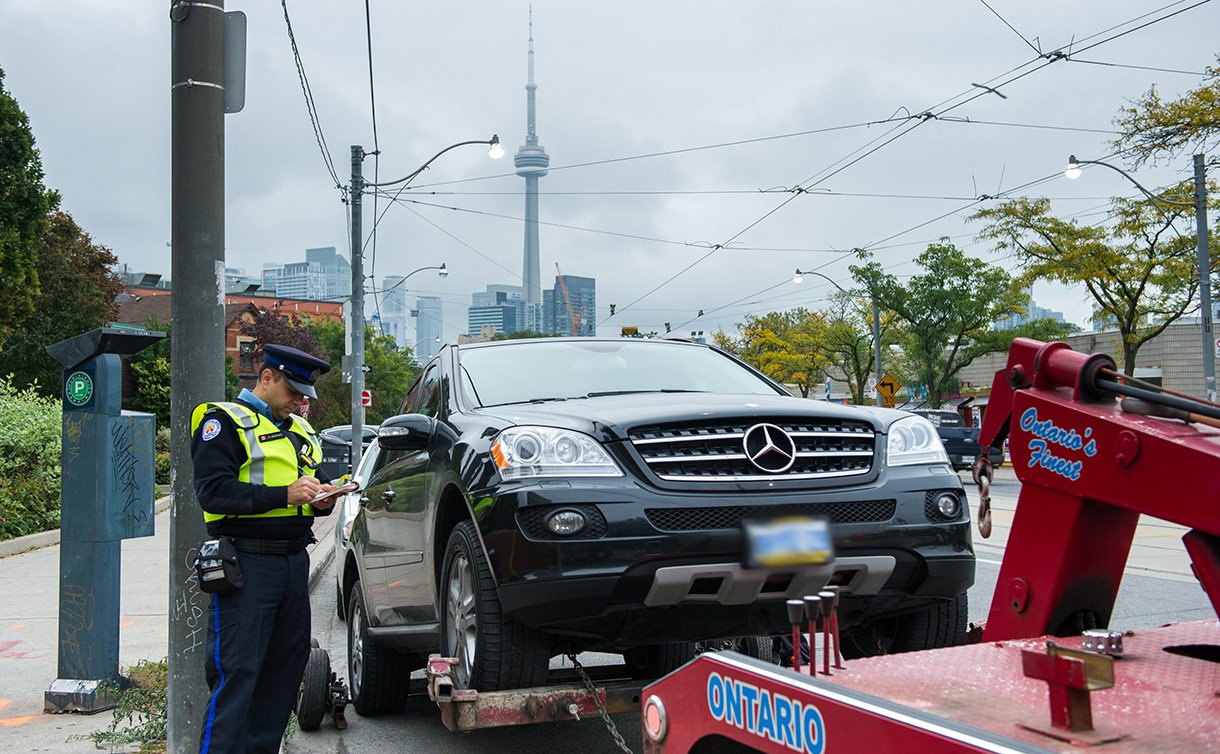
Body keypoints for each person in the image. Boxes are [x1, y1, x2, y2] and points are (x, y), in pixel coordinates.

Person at [191, 343, 338, 754]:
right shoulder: (223, 421)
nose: (298, 401)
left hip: (293, 564)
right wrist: (283, 495)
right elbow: (213, 492)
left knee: (282, 677)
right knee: (237, 677)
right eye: (292, 390)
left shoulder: (301, 431)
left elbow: (311, 486)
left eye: (303, 395)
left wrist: (324, 496)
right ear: (267, 377)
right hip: (246, 565)